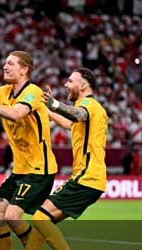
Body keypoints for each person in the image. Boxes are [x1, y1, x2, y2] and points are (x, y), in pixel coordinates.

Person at [0, 51, 57, 249]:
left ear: (24, 69)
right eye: (5, 63)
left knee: (12, 215)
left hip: (39, 169)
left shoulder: (34, 92)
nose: (5, 66)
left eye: (11, 63)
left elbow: (16, 114)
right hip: (20, 170)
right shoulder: (3, 91)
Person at [27, 68, 107, 250]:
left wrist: (54, 104)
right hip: (91, 179)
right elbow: (69, 123)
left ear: (84, 84)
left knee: (40, 217)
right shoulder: (96, 110)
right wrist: (47, 111)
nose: (66, 85)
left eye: (71, 81)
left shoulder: (88, 104)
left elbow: (78, 114)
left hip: (86, 178)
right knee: (42, 224)